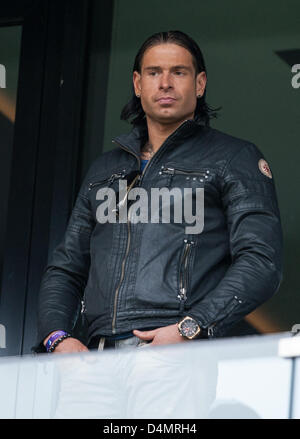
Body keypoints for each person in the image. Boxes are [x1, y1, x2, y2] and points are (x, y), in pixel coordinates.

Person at [36, 30, 283, 354]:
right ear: (138, 84)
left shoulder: (234, 158)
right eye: (154, 73)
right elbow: (67, 268)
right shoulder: (104, 171)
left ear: (200, 83)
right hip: (92, 360)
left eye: (178, 72)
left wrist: (192, 327)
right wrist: (58, 339)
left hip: (176, 352)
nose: (165, 83)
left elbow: (261, 260)